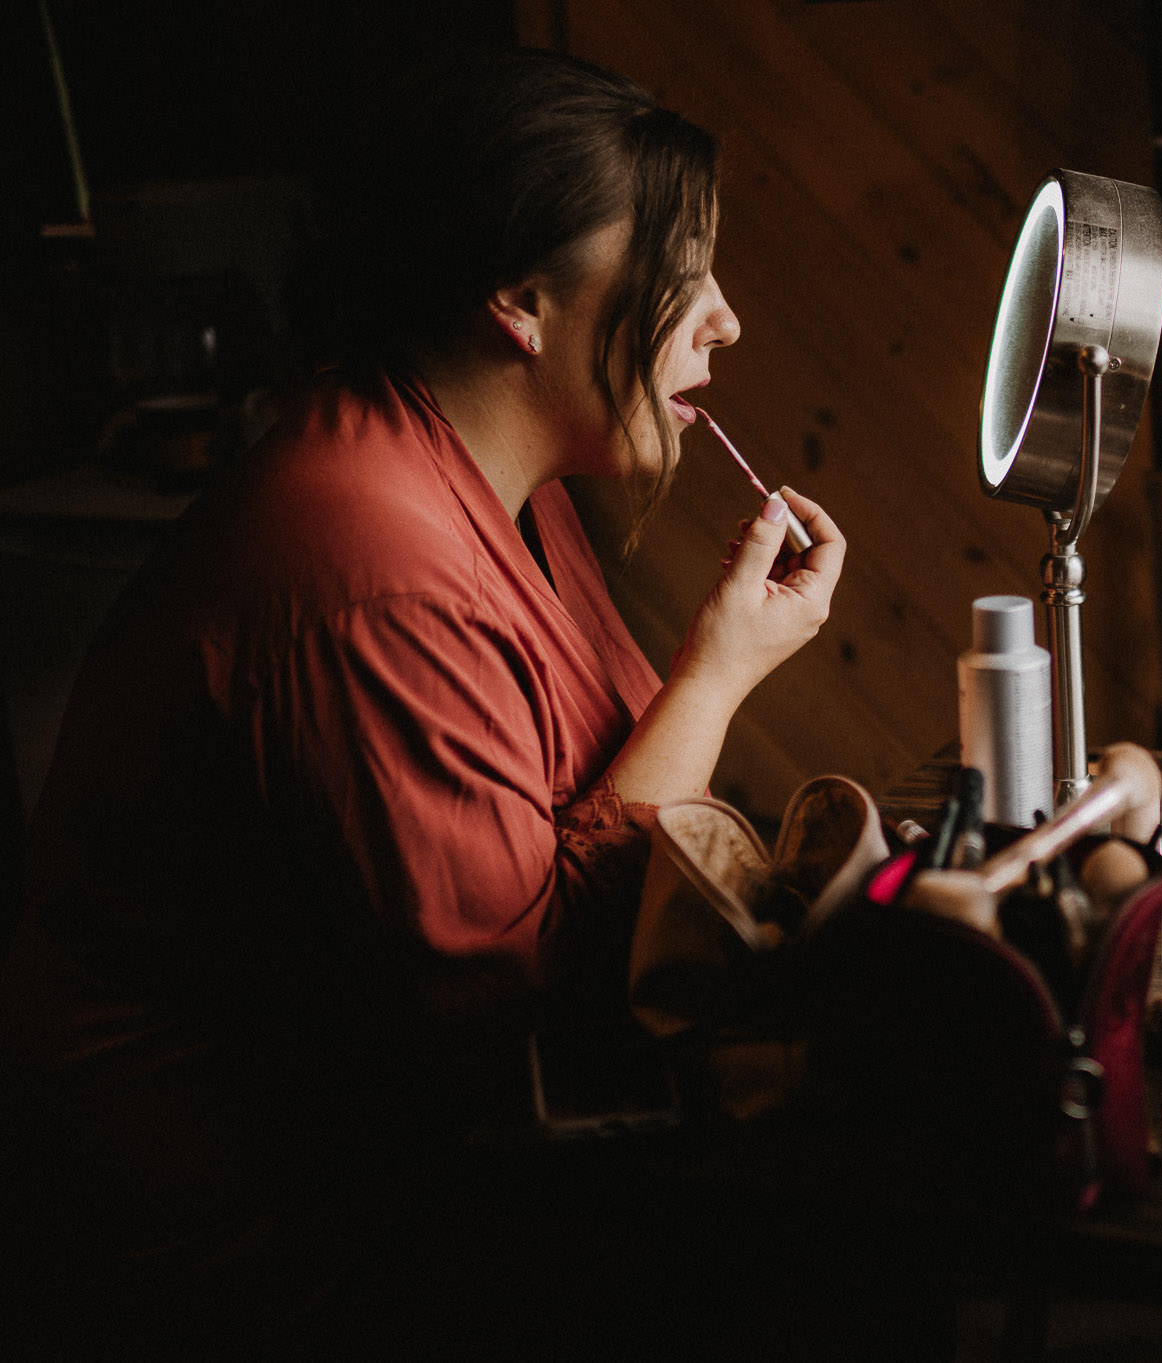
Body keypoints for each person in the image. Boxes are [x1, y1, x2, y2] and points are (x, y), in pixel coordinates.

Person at [0, 48, 843, 1354]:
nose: (726, 318)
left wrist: (719, 668)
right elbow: (518, 998)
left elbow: (607, 830)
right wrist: (721, 673)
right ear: (521, 299)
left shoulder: (515, 490)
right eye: (685, 273)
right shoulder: (368, 563)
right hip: (260, 1250)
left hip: (419, 1160)